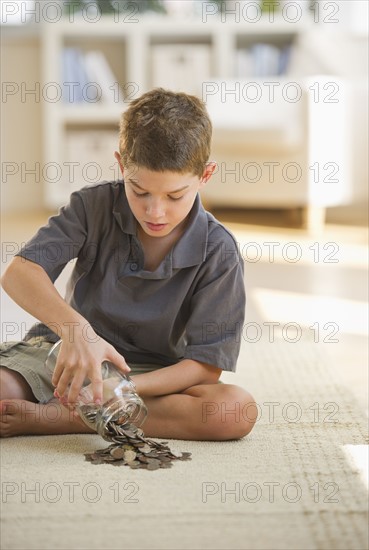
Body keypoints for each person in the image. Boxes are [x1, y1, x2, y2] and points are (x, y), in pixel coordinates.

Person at [0, 88, 257, 440]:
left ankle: (67, 418)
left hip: (153, 376)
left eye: (174, 196)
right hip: (69, 358)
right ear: (122, 165)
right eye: (139, 190)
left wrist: (120, 388)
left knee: (233, 411)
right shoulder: (91, 207)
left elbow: (205, 367)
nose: (155, 212)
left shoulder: (220, 251)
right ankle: (83, 409)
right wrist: (78, 332)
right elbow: (20, 274)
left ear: (206, 175)